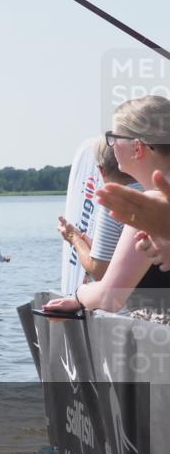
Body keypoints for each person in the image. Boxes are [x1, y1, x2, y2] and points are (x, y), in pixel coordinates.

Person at [45, 96, 170, 314]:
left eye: (113, 137)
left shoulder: (147, 206)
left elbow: (110, 297)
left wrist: (79, 294)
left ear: (138, 148)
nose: (110, 145)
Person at [56, 138, 143, 282]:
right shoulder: (154, 193)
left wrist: (73, 238)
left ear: (102, 170)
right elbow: (121, 252)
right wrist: (82, 238)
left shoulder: (113, 202)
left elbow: (99, 270)